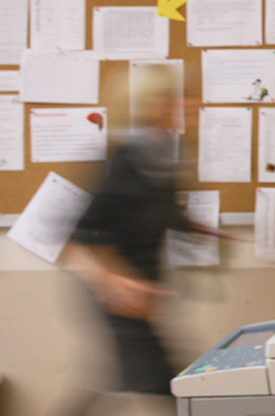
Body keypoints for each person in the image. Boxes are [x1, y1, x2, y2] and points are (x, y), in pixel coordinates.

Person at [54, 64, 224, 416]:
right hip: (115, 295)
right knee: (165, 382)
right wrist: (114, 279)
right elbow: (83, 233)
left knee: (117, 378)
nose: (187, 106)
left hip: (141, 290)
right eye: (175, 99)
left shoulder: (162, 156)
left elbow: (157, 209)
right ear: (149, 105)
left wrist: (195, 226)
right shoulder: (123, 160)